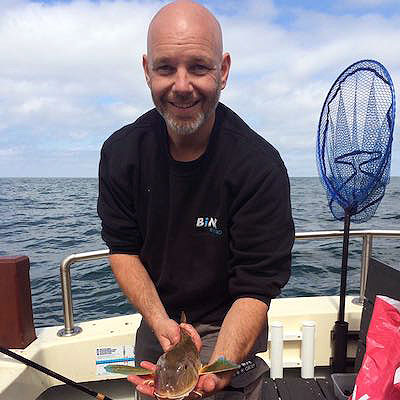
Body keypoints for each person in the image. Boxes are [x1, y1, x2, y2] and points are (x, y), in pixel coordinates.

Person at [97, 1, 294, 398]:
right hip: (160, 324)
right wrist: (160, 322)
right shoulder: (121, 153)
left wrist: (219, 367)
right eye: (166, 67)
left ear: (222, 71)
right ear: (147, 70)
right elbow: (122, 248)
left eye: (199, 67)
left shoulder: (258, 166)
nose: (182, 85)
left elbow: (255, 288)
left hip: (231, 320)